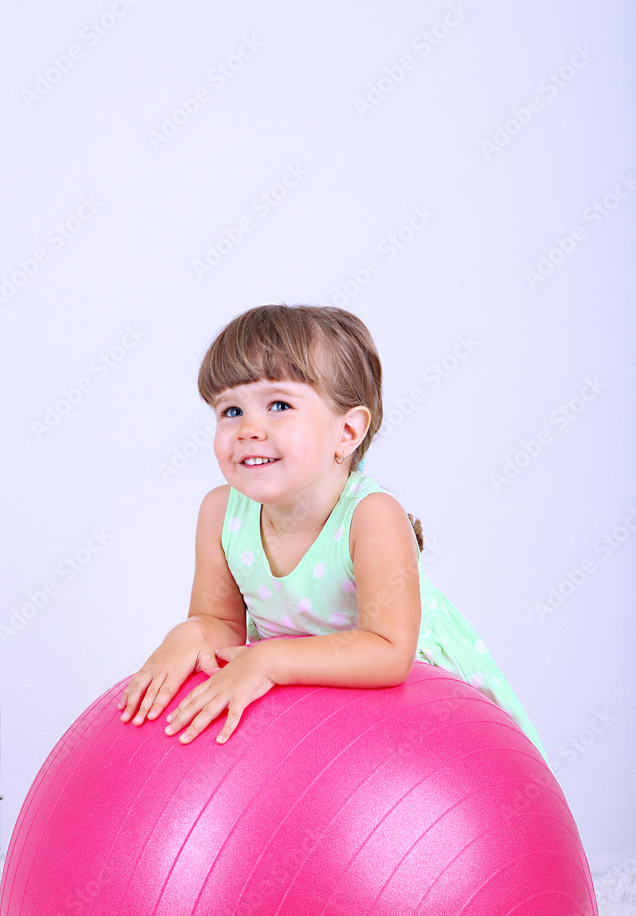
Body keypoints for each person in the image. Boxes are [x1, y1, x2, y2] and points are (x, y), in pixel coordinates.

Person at [118, 303, 547, 761]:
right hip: (309, 714)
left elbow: (389, 652)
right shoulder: (220, 512)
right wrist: (191, 634)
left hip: (414, 714)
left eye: (279, 405)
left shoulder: (372, 517)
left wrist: (271, 659)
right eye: (231, 410)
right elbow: (221, 622)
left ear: (347, 431)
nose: (248, 429)